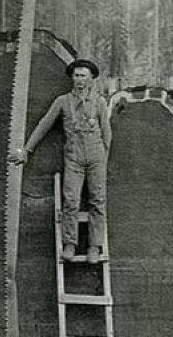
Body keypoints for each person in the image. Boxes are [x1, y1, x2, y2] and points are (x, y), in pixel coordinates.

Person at [16, 58, 111, 264]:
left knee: (98, 201)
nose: (79, 80)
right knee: (71, 201)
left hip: (96, 158)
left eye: (83, 75)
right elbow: (44, 125)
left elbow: (107, 133)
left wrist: (103, 159)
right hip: (73, 159)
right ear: (71, 78)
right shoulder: (63, 102)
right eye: (76, 75)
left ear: (91, 78)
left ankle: (94, 246)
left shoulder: (100, 102)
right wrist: (27, 150)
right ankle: (70, 243)